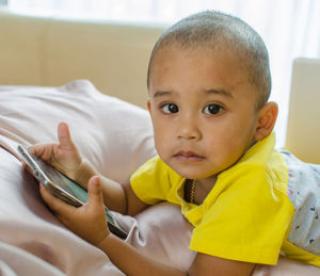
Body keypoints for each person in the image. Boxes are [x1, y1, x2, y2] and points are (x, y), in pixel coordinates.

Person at [30, 10, 320, 276]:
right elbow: (127, 199)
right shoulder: (187, 157)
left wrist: (103, 239)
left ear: (262, 122)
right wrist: (79, 172)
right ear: (151, 110)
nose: (186, 130)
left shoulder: (252, 189)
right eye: (170, 108)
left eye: (213, 109)